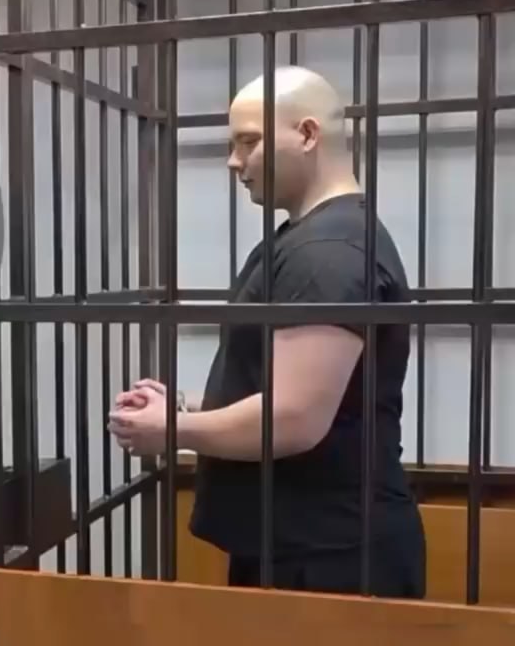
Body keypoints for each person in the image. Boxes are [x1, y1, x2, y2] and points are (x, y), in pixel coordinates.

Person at [108, 66, 426, 598]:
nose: (234, 161)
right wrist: (187, 407)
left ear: (307, 134)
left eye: (249, 142)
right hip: (312, 542)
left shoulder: (327, 251)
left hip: (328, 558)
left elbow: (293, 417)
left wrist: (173, 430)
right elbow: (305, 395)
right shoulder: (315, 237)